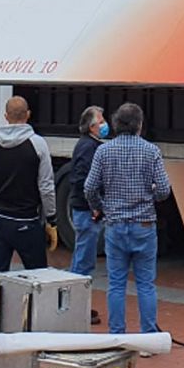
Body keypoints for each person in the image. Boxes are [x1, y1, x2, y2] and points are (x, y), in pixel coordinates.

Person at [84, 102, 170, 336]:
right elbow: (164, 190)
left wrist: (100, 208)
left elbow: (89, 188)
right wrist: (149, 193)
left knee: (116, 284)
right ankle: (149, 335)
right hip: (144, 225)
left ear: (115, 124)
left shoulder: (103, 151)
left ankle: (117, 334)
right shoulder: (151, 151)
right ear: (139, 125)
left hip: (115, 225)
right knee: (146, 284)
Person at [0, 96, 56, 298]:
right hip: (26, 221)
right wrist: (51, 219)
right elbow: (46, 186)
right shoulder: (38, 145)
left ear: (5, 116)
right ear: (28, 115)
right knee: (38, 277)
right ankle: (36, 325)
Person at [67, 105, 108, 325]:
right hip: (86, 210)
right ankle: (76, 306)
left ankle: (76, 303)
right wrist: (94, 206)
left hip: (84, 208)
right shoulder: (88, 148)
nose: (104, 124)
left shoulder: (89, 146)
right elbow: (83, 179)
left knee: (83, 258)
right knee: (83, 260)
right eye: (100, 121)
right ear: (91, 126)